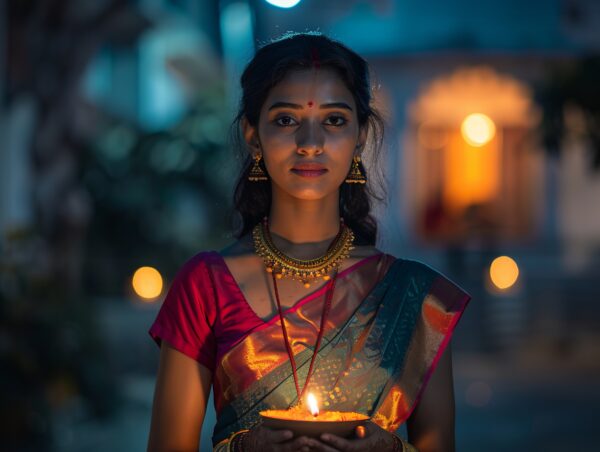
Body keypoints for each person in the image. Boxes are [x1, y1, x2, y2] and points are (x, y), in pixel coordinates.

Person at [147, 32, 470, 452]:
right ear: (252, 135)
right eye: (286, 120)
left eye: (334, 120)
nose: (311, 144)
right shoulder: (206, 284)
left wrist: (387, 449)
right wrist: (245, 449)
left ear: (360, 137)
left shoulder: (417, 298)